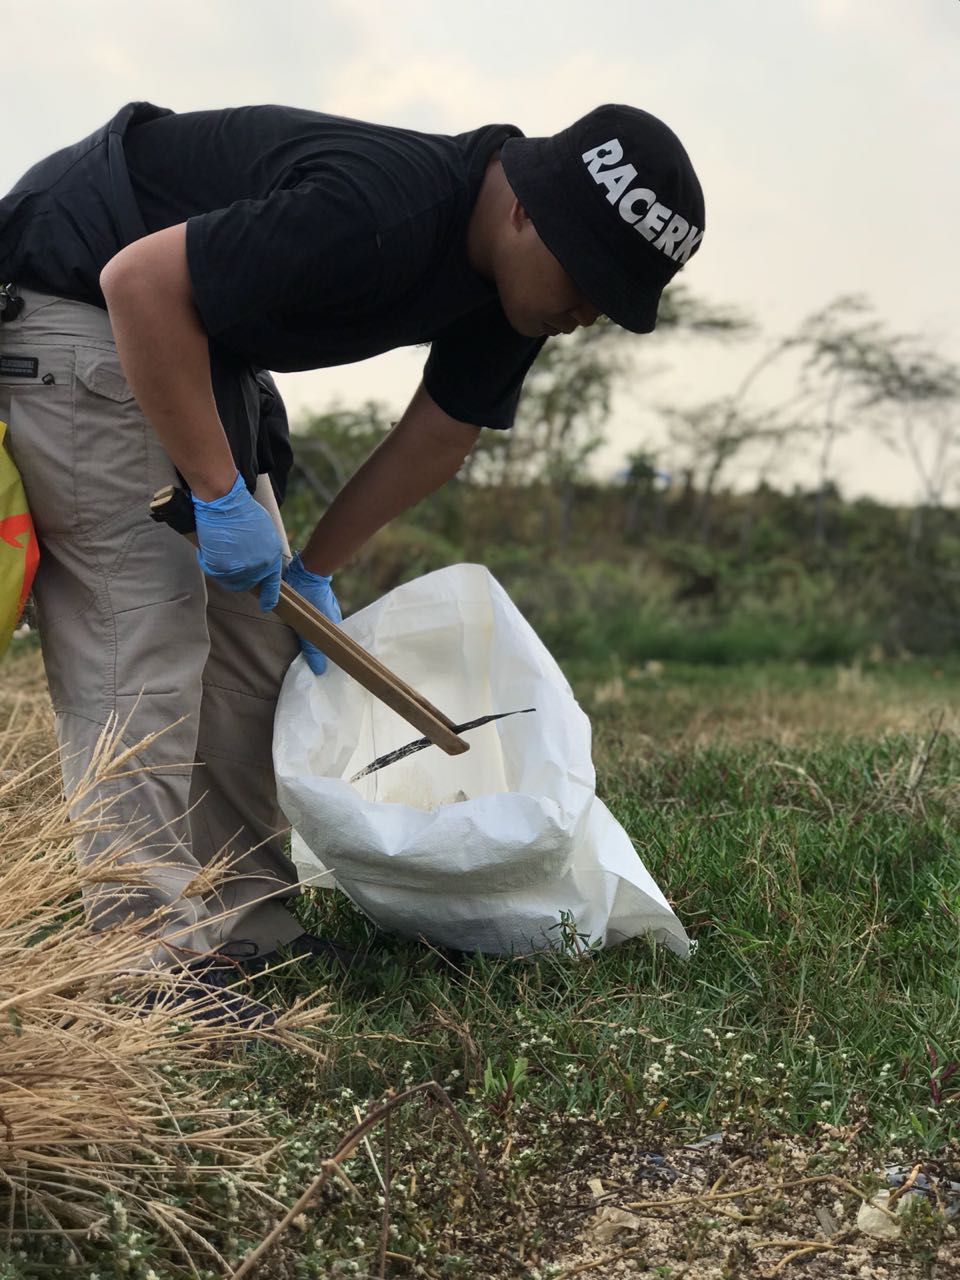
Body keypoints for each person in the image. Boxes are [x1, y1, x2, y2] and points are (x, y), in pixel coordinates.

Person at [0, 101, 704, 1023]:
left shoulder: (516, 290)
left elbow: (442, 433)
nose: (584, 313)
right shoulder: (380, 209)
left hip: (193, 343)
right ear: (528, 210)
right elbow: (138, 282)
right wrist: (218, 497)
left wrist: (311, 569)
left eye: (609, 300)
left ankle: (243, 922)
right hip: (79, 300)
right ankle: (143, 961)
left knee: (260, 651)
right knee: (145, 639)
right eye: (586, 279)